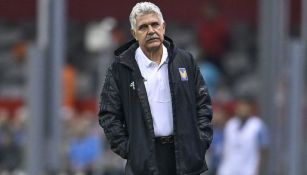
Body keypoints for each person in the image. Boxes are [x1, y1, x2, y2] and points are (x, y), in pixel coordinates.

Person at [98, 2, 213, 175]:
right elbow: (108, 114)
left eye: (155, 24)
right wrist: (129, 150)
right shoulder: (120, 68)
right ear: (134, 34)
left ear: (163, 27)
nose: (151, 31)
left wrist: (200, 141)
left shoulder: (185, 60)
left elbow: (203, 103)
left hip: (184, 157)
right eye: (143, 27)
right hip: (145, 160)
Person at [217, 97, 269, 175]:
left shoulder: (257, 126)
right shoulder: (230, 125)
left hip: (248, 171)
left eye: (245, 106)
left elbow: (264, 150)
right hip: (227, 171)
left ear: (251, 108)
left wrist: (259, 170)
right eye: (240, 105)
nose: (242, 109)